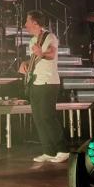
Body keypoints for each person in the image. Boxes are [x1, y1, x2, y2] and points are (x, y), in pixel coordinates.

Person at [19, 10, 68, 163]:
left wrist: (42, 53)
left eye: (27, 21)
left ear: (35, 23)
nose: (25, 24)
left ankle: (63, 149)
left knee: (48, 117)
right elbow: (35, 59)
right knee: (39, 119)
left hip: (49, 82)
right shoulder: (33, 40)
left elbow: (51, 54)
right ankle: (48, 151)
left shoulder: (50, 37)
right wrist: (25, 63)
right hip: (35, 82)